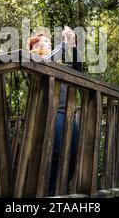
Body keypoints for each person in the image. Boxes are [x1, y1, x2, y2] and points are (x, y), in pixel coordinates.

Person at [26, 27, 81, 196]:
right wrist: (63, 43)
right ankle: (48, 194)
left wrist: (72, 46)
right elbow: (46, 62)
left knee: (73, 155)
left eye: (50, 43)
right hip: (52, 113)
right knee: (55, 153)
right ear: (34, 47)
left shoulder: (58, 65)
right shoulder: (33, 62)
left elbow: (77, 70)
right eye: (45, 42)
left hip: (69, 114)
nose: (49, 44)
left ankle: (60, 188)